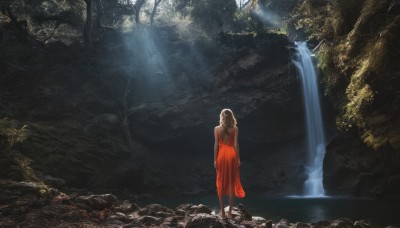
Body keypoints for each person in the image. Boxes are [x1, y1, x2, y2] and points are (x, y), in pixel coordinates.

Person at [214, 108, 245, 219]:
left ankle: (222, 212)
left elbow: (216, 145)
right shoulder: (235, 129)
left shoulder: (216, 129)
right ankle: (229, 212)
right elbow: (236, 145)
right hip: (232, 154)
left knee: (220, 182)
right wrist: (238, 158)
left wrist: (214, 159)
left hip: (221, 155)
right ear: (231, 116)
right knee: (232, 182)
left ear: (221, 116)